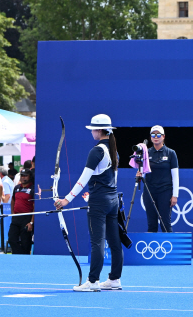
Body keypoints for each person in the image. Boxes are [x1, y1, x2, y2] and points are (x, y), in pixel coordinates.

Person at [55, 114, 123, 292]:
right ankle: (114, 279)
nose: (91, 132)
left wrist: (66, 199)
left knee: (97, 242)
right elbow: (112, 179)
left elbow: (83, 179)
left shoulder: (97, 150)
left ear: (99, 130)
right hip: (112, 200)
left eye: (93, 129)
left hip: (100, 202)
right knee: (114, 241)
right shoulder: (113, 150)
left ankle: (93, 281)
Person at [139, 125, 179, 232]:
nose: (156, 137)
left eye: (158, 134)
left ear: (163, 136)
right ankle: (151, 248)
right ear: (150, 137)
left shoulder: (171, 153)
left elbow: (175, 176)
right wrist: (139, 175)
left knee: (165, 223)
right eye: (153, 134)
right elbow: (143, 173)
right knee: (151, 224)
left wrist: (175, 195)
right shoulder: (146, 153)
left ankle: (169, 248)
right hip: (149, 191)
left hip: (165, 191)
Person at [9, 168, 34, 254]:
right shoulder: (16, 188)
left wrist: (31, 222)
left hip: (27, 218)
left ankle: (24, 259)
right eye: (22, 176)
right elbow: (13, 200)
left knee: (25, 242)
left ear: (30, 177)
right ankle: (17, 256)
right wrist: (12, 213)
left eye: (25, 176)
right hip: (16, 217)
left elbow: (35, 206)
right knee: (11, 238)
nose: (23, 178)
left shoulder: (33, 189)